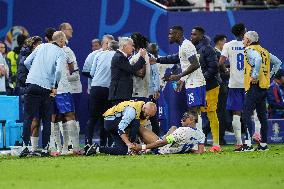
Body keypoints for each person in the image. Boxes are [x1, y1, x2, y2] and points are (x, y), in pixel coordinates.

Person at [20, 31, 66, 157]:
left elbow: (26, 62)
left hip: (31, 84)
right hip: (46, 88)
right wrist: (55, 86)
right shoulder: (61, 52)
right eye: (64, 41)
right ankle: (45, 149)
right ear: (61, 40)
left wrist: (34, 73)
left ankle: (25, 148)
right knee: (46, 119)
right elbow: (58, 72)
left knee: (28, 117)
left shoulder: (40, 46)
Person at [154, 26, 206, 131]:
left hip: (195, 83)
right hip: (192, 82)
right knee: (194, 111)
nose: (169, 36)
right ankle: (199, 140)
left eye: (171, 34)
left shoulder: (187, 46)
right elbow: (180, 61)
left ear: (178, 35)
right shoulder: (182, 46)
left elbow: (195, 64)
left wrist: (179, 76)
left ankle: (198, 141)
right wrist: (181, 80)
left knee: (193, 111)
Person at [242, 31, 282, 151]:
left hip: (254, 87)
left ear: (249, 40)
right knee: (262, 116)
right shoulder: (264, 51)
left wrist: (254, 75)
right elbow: (278, 62)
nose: (243, 41)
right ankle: (263, 144)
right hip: (264, 87)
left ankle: (248, 144)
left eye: (244, 39)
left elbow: (258, 60)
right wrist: (269, 76)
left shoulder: (249, 50)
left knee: (246, 114)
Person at [85, 101, 157, 155]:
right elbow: (121, 128)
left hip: (115, 123)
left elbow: (140, 134)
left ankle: (97, 148)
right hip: (110, 121)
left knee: (122, 151)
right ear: (144, 108)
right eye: (147, 115)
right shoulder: (132, 111)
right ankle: (130, 148)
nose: (147, 117)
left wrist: (143, 147)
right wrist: (129, 143)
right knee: (136, 123)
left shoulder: (143, 111)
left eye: (149, 116)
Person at [190, 26, 220, 152]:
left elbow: (214, 68)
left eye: (194, 34)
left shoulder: (208, 49)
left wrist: (202, 80)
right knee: (197, 113)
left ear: (201, 36)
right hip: (198, 86)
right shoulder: (193, 49)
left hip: (210, 86)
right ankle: (198, 143)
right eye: (191, 34)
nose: (192, 36)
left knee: (211, 114)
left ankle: (216, 144)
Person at [85, 40, 119, 148]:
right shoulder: (117, 55)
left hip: (96, 88)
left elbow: (91, 73)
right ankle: (105, 145)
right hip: (108, 89)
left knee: (93, 118)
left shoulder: (98, 54)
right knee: (107, 117)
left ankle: (87, 143)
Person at [219, 23, 247, 151]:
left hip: (234, 83)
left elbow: (221, 62)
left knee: (236, 113)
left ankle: (239, 142)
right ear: (243, 32)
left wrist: (226, 70)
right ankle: (251, 141)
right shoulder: (249, 45)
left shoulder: (228, 45)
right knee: (251, 112)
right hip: (248, 83)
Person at [133, 110, 205, 154]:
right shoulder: (201, 134)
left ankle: (132, 148)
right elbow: (200, 151)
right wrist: (186, 150)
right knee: (173, 127)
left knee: (137, 125)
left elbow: (162, 143)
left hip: (161, 148)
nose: (181, 120)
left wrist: (142, 147)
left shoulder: (183, 130)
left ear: (192, 119)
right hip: (173, 148)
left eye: (184, 118)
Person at [59, 22, 82, 148]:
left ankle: (74, 145)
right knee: (62, 116)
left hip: (73, 89)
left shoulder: (68, 50)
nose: (72, 31)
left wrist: (62, 78)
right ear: (62, 30)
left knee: (71, 116)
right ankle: (67, 145)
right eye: (69, 29)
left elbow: (76, 74)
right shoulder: (63, 50)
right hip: (65, 89)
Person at [108, 37, 147, 105]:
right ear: (125, 46)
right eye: (131, 45)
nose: (133, 48)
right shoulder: (120, 57)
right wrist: (142, 57)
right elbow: (131, 69)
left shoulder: (120, 56)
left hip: (120, 94)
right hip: (119, 95)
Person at [213, 34, 229, 145]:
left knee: (216, 112)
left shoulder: (216, 53)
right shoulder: (217, 54)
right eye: (225, 42)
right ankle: (220, 138)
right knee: (220, 112)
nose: (226, 44)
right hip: (219, 86)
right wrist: (228, 72)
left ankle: (218, 137)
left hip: (216, 86)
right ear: (219, 42)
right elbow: (219, 70)